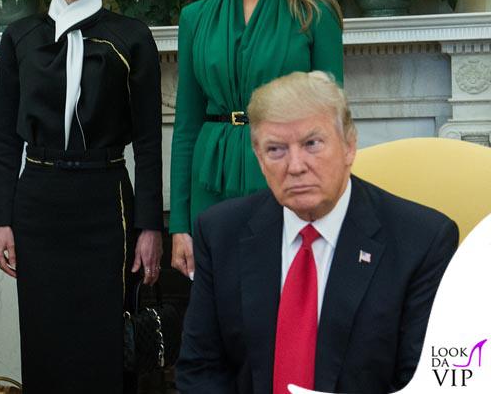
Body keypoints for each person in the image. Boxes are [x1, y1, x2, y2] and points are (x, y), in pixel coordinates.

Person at [175, 71, 458, 393]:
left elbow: (425, 382)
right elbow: (200, 369)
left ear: (349, 146)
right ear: (259, 158)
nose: (295, 166)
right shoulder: (221, 232)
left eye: (312, 144)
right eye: (276, 150)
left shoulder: (422, 241)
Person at [0, 0, 163, 393]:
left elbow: (149, 142)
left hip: (105, 203)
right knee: (45, 340)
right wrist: (1, 218)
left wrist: (150, 225)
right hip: (38, 203)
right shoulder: (20, 37)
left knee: (106, 344)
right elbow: (5, 139)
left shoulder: (132, 35)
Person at [169, 0, 344, 279]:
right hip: (211, 177)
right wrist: (179, 223)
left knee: (286, 297)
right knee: (220, 301)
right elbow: (186, 126)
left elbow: (333, 123)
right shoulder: (195, 18)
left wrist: (331, 208)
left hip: (290, 173)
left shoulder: (315, 13)